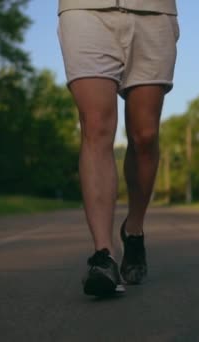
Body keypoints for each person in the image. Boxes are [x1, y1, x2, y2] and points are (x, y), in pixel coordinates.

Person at [57, 0, 179, 297]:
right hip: (84, 10)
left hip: (153, 11)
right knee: (96, 127)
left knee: (145, 135)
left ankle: (133, 229)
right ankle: (104, 255)